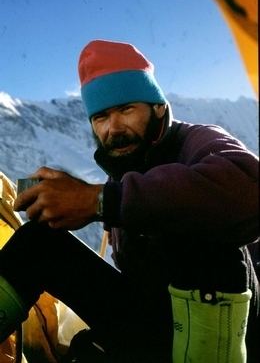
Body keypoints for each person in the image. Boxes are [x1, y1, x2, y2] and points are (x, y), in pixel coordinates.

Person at [0, 40, 259, 363]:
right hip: (156, 327)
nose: (113, 128)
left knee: (201, 231)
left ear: (159, 107)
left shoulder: (197, 140)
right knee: (39, 243)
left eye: (126, 110)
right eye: (101, 117)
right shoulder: (125, 169)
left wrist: (100, 201)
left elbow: (250, 189)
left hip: (225, 336)